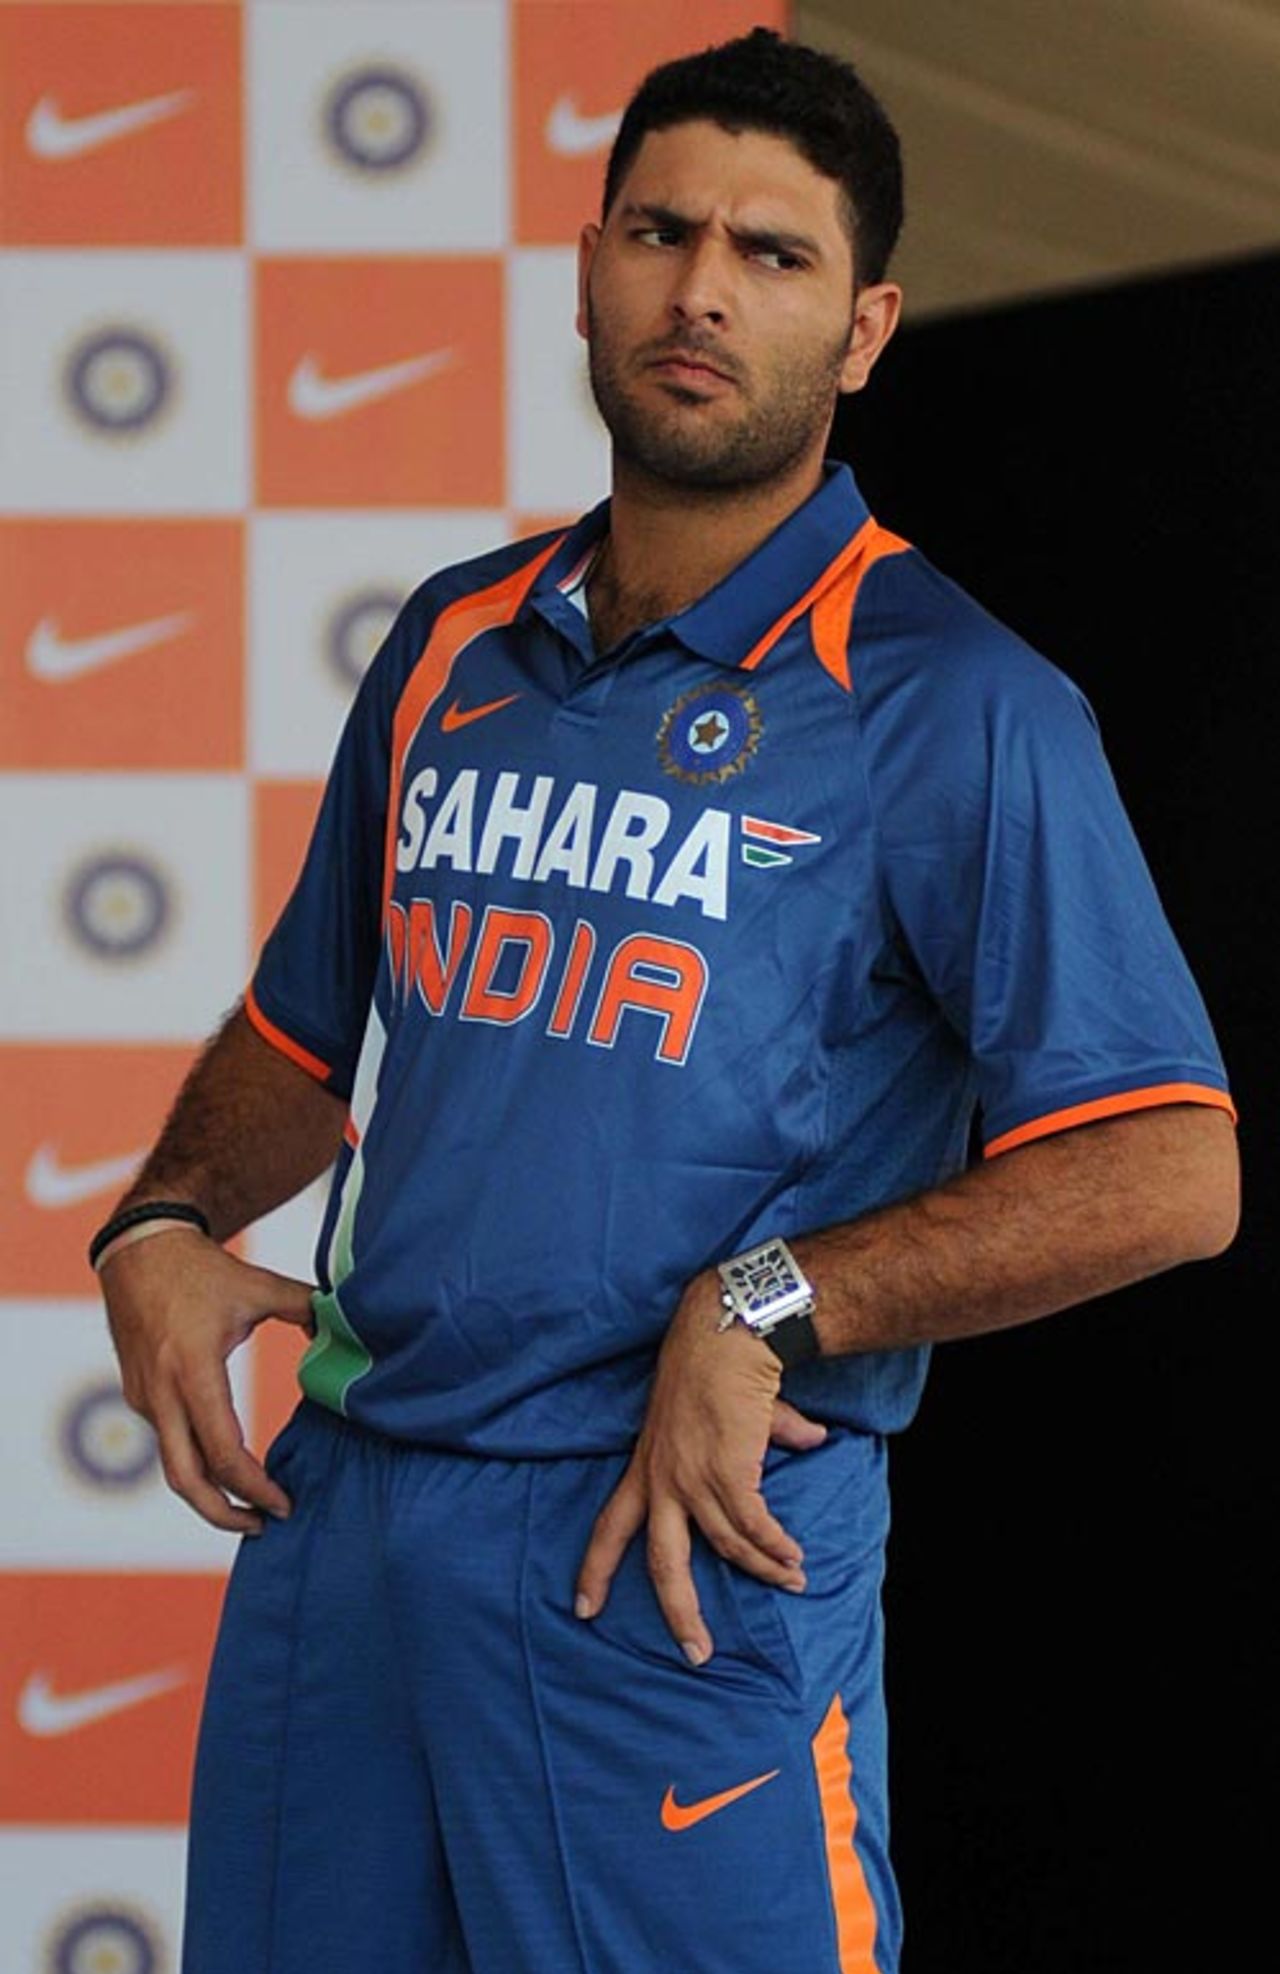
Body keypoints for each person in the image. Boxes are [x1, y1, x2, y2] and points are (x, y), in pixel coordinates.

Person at [94, 27, 1237, 1974]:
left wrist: (770, 1300)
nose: (701, 287)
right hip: (350, 1523)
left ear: (864, 330)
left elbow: (1165, 1170)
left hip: (669, 1548)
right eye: (659, 230)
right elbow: (306, 1034)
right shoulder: (454, 636)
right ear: (587, 268)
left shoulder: (956, 701)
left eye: (772, 255)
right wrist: (166, 1215)